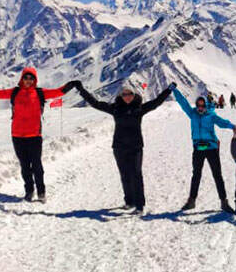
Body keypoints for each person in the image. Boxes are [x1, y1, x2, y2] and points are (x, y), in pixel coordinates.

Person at [0, 67, 77, 202]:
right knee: (25, 166)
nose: (28, 81)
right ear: (22, 78)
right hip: (17, 136)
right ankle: (29, 191)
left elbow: (58, 92)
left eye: (31, 78)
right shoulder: (14, 92)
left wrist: (71, 85)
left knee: (37, 165)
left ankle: (41, 192)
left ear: (35, 80)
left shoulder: (40, 93)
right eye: (26, 78)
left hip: (34, 136)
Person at [74, 79, 174, 214]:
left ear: (134, 96)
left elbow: (156, 102)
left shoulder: (140, 108)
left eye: (130, 94)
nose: (127, 97)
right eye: (124, 95)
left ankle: (139, 205)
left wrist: (169, 90)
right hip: (119, 147)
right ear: (121, 96)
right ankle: (129, 201)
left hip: (136, 147)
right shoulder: (115, 109)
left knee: (136, 174)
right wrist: (81, 90)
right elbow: (95, 103)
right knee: (125, 175)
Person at [173, 87, 236, 213]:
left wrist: (232, 126)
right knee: (196, 175)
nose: (200, 108)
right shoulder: (192, 113)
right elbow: (183, 102)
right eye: (198, 105)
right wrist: (174, 90)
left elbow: (222, 122)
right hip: (198, 148)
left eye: (202, 106)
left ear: (205, 105)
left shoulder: (211, 115)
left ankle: (224, 202)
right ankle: (191, 201)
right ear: (196, 105)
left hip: (211, 148)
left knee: (217, 175)